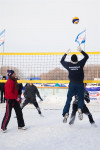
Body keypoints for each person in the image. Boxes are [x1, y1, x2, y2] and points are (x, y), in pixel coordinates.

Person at [60, 46, 89, 123]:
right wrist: (81, 51)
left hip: (72, 84)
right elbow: (87, 56)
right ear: (77, 60)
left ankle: (66, 112)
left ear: (71, 60)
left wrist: (65, 54)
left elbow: (61, 61)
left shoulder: (69, 65)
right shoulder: (80, 64)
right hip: (80, 84)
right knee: (80, 98)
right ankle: (80, 109)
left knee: (68, 100)